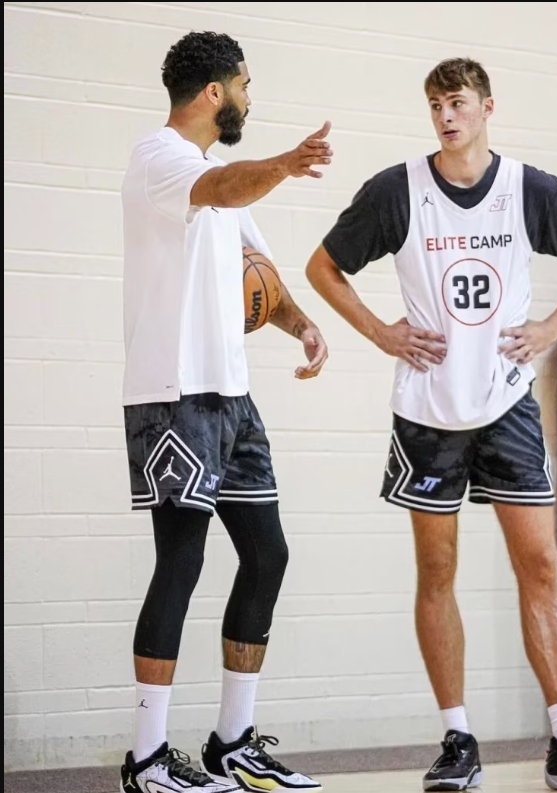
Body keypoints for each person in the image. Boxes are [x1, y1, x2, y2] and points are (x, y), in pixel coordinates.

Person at [306, 57, 557, 792]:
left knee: (540, 566)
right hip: (428, 410)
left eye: (457, 102)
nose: (446, 116)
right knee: (437, 571)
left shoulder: (530, 189)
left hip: (507, 403)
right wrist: (380, 332)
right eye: (435, 105)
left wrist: (551, 328)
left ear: (488, 107)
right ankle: (458, 738)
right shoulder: (397, 189)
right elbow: (322, 268)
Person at [120, 31, 332, 793]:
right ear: (215, 91)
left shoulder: (218, 177)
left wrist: (301, 323)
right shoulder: (162, 159)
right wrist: (286, 163)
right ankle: (147, 759)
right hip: (173, 394)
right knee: (181, 561)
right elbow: (226, 189)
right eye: (244, 84)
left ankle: (232, 743)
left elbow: (258, 275)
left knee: (267, 555)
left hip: (232, 397)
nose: (249, 96)